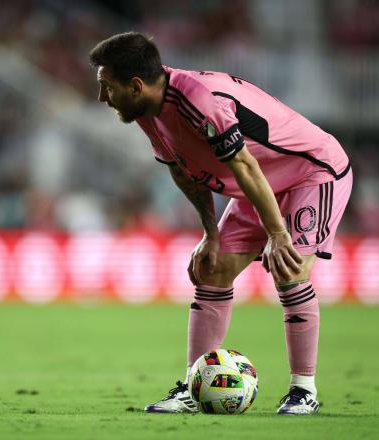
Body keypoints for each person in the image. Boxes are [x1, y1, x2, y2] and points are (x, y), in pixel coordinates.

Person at [89, 32, 352, 415]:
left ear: (136, 85)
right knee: (212, 270)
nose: (102, 98)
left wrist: (278, 234)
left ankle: (303, 390)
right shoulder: (146, 112)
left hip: (311, 172)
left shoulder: (198, 100)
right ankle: (193, 388)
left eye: (106, 87)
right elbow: (183, 172)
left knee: (290, 269)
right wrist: (210, 233)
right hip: (259, 183)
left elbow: (244, 164)